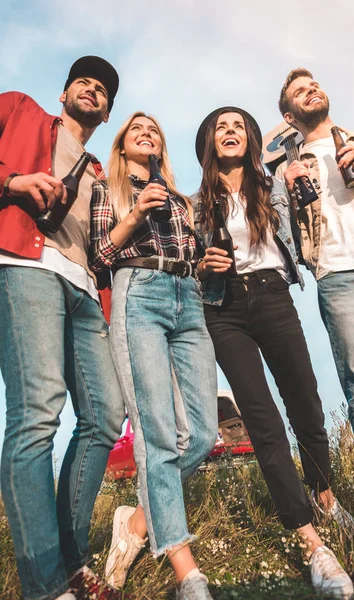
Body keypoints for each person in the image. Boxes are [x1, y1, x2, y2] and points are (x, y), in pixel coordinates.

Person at [193, 106, 354, 599]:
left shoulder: (273, 186)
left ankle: (325, 497)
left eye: (238, 125)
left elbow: (304, 209)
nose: (230, 132)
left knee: (305, 401)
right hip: (223, 308)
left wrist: (290, 164)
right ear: (208, 142)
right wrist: (203, 263)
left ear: (250, 137)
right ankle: (310, 542)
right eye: (221, 127)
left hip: (273, 294)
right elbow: (188, 264)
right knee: (263, 419)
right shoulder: (193, 202)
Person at [0, 57, 125, 600]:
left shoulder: (99, 170)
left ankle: (70, 559)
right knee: (38, 411)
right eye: (84, 82)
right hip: (26, 270)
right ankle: (47, 587)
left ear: (107, 109)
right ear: (64, 93)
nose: (93, 90)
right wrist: (12, 181)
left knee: (105, 417)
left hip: (84, 292)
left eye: (102, 89)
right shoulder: (18, 110)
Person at [89, 111, 218, 599]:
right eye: (136, 131)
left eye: (154, 130)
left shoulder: (183, 202)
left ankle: (138, 521)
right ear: (123, 148)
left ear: (162, 146)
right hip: (137, 292)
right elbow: (99, 256)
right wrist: (137, 212)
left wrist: (207, 263)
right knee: (156, 433)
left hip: (187, 294)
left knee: (203, 434)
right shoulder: (109, 191)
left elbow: (196, 256)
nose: (147, 134)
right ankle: (187, 572)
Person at [276, 68, 354, 539]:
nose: (312, 90)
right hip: (340, 277)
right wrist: (285, 191)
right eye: (298, 92)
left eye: (314, 84)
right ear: (290, 114)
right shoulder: (288, 166)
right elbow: (279, 240)